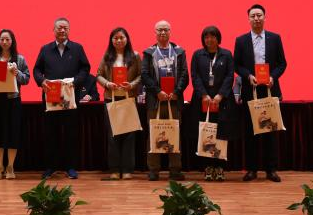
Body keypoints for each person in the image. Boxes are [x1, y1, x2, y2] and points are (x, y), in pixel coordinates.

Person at [234, 4, 287, 183]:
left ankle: (271, 170)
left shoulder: (275, 38)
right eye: (253, 16)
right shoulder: (241, 40)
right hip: (251, 90)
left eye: (259, 15)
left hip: (270, 89)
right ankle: (252, 169)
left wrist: (273, 76)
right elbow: (237, 64)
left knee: (271, 131)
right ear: (248, 19)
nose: (256, 18)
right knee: (251, 132)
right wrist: (248, 76)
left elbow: (282, 63)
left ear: (265, 17)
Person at [33, 17, 90, 179]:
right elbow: (37, 70)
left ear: (69, 30)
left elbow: (85, 69)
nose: (62, 30)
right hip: (51, 96)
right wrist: (42, 81)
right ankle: (51, 167)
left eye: (65, 28)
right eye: (59, 28)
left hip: (70, 96)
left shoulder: (77, 48)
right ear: (54, 30)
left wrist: (75, 82)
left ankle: (70, 167)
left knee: (71, 133)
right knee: (51, 133)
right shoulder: (45, 49)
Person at [141, 20, 189, 181]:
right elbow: (145, 75)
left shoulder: (179, 52)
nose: (163, 32)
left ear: (170, 32)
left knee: (174, 133)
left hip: (174, 100)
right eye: (160, 30)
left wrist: (176, 92)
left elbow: (184, 74)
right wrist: (158, 92)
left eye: (166, 30)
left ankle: (175, 169)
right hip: (155, 101)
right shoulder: (149, 52)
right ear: (155, 32)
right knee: (154, 133)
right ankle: (153, 170)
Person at [0, 29, 30, 180]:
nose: (4, 42)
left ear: (12, 41)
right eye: (2, 39)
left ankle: (10, 167)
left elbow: (26, 79)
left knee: (12, 134)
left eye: (7, 39)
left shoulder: (19, 59)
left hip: (13, 101)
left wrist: (17, 73)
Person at [190, 26, 236, 181]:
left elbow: (230, 76)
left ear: (218, 38)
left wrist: (220, 95)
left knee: (221, 133)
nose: (209, 40)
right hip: (202, 100)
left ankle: (220, 167)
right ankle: (208, 167)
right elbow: (195, 76)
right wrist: (204, 94)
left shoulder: (226, 54)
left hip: (222, 101)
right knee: (206, 133)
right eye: (206, 37)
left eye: (213, 36)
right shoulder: (198, 55)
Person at [95, 27, 142, 180]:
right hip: (111, 99)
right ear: (111, 40)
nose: (119, 40)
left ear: (127, 39)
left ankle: (127, 170)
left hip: (129, 99)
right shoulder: (107, 56)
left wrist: (132, 85)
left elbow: (141, 75)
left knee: (129, 136)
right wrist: (107, 84)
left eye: (122, 37)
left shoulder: (135, 56)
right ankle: (114, 170)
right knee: (113, 136)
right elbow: (98, 75)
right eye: (116, 38)